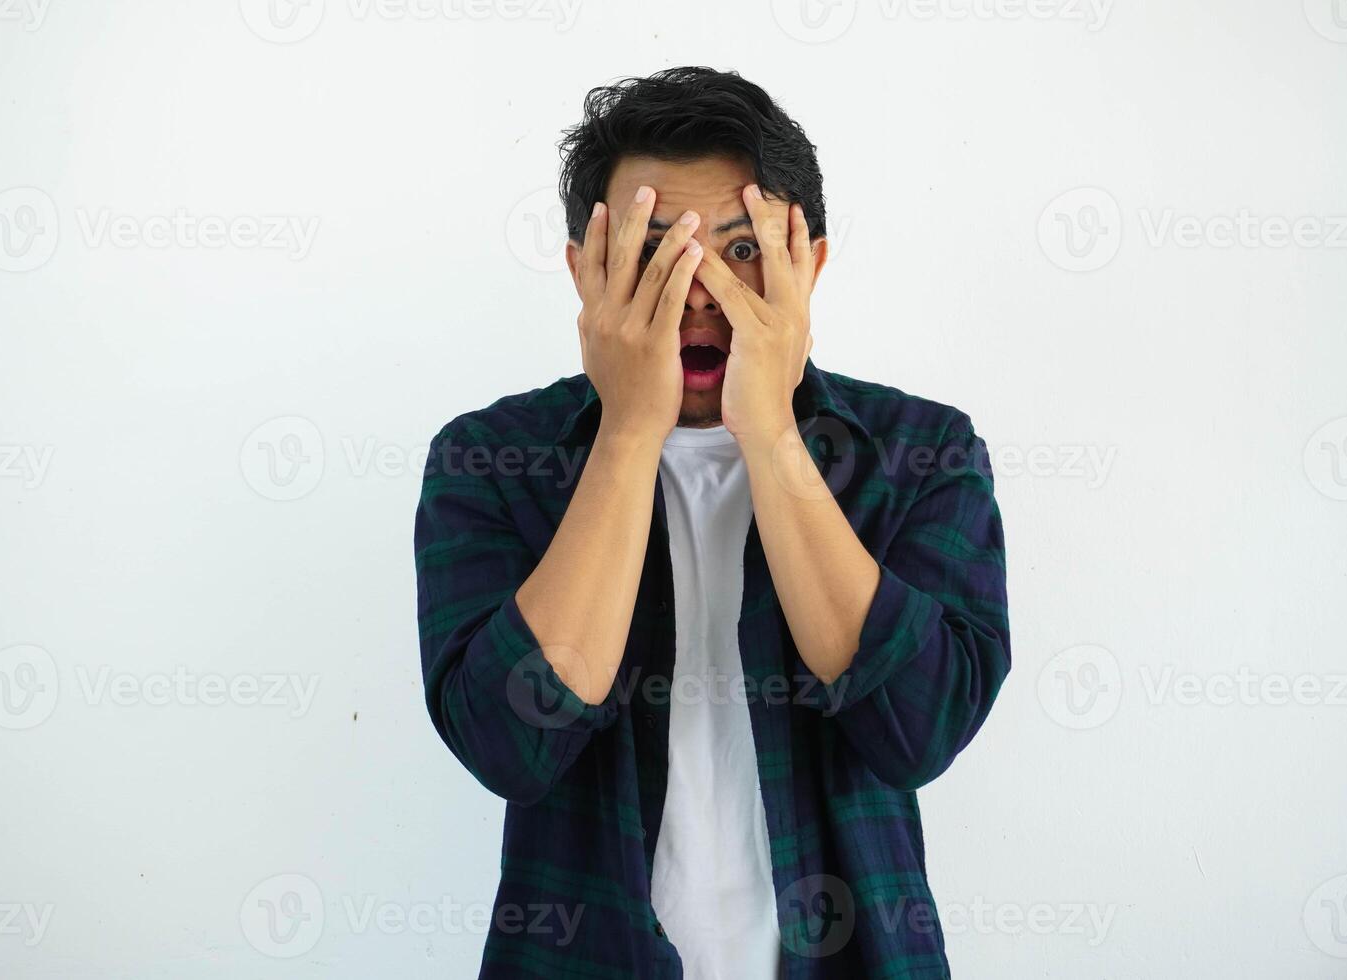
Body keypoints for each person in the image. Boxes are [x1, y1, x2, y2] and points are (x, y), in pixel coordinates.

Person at [413, 66, 1010, 979]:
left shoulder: (921, 453)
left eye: (739, 250)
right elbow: (512, 747)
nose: (697, 291)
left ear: (806, 263)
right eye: (655, 251)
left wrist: (768, 431)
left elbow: (915, 732)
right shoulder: (488, 461)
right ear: (583, 270)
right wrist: (627, 431)